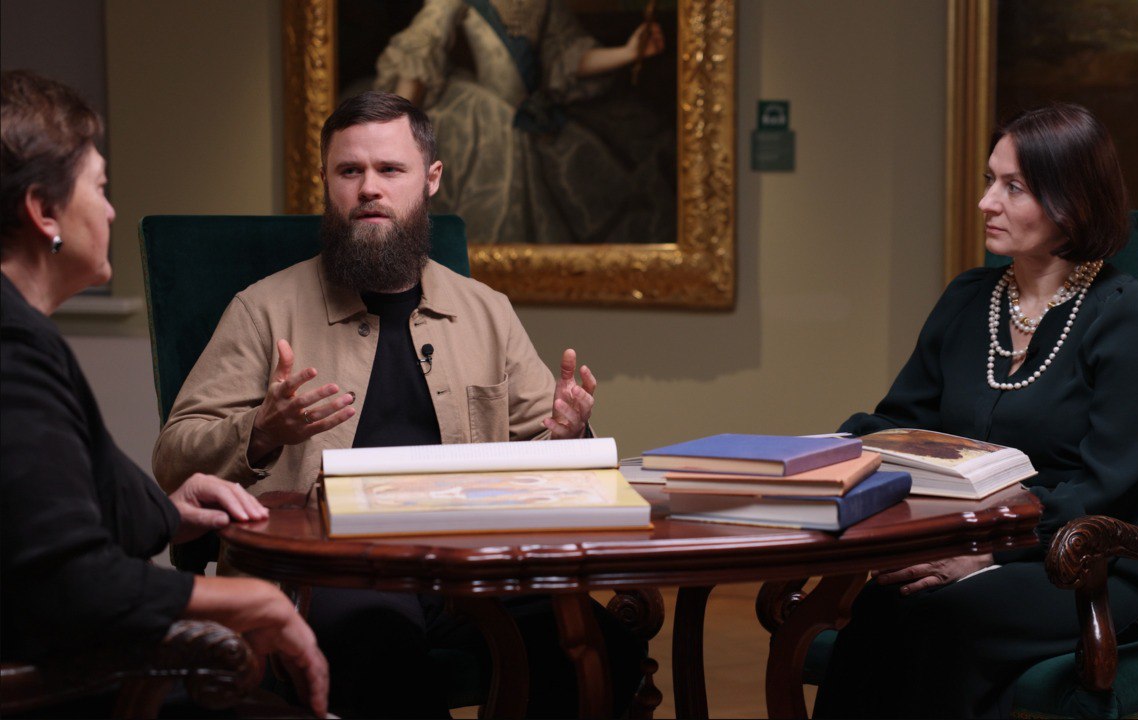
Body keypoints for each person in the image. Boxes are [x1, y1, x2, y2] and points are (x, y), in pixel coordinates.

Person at [152, 90, 639, 718]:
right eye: (349, 171)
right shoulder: (262, 310)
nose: (369, 189)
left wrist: (569, 438)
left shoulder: (487, 311)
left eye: (389, 169)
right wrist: (261, 431)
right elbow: (173, 458)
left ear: (430, 179)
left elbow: (540, 450)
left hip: (470, 573)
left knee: (604, 649)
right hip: (330, 573)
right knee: (381, 650)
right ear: (325, 181)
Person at [813, 104, 1138, 718]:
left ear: (1072, 201)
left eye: (1014, 187)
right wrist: (834, 448)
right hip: (960, 543)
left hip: (1085, 565)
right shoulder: (966, 299)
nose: (986, 202)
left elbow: (1109, 486)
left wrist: (987, 554)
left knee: (943, 620)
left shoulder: (1125, 315)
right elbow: (902, 424)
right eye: (990, 180)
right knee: (879, 607)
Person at [0, 70, 329, 717]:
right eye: (99, 187)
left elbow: (41, 517)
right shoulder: (13, 350)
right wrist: (249, 600)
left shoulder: (24, 334)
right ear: (43, 212)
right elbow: (68, 581)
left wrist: (171, 513)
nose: (110, 210)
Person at [374, 0, 675, 245]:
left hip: (534, 118)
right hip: (484, 122)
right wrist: (397, 126)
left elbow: (569, 58)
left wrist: (629, 52)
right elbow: (421, 49)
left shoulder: (544, 4)